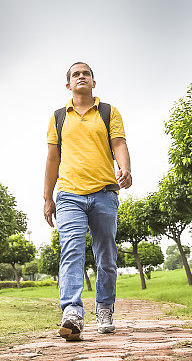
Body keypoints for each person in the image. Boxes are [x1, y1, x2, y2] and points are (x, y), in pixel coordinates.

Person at [44, 61, 132, 340]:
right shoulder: (59, 117)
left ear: (93, 82)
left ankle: (104, 308)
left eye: (86, 74)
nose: (81, 77)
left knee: (106, 255)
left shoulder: (108, 111)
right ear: (68, 85)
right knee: (71, 251)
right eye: (75, 74)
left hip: (105, 192)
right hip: (69, 194)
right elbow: (52, 158)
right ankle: (72, 312)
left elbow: (118, 143)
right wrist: (48, 197)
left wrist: (125, 168)